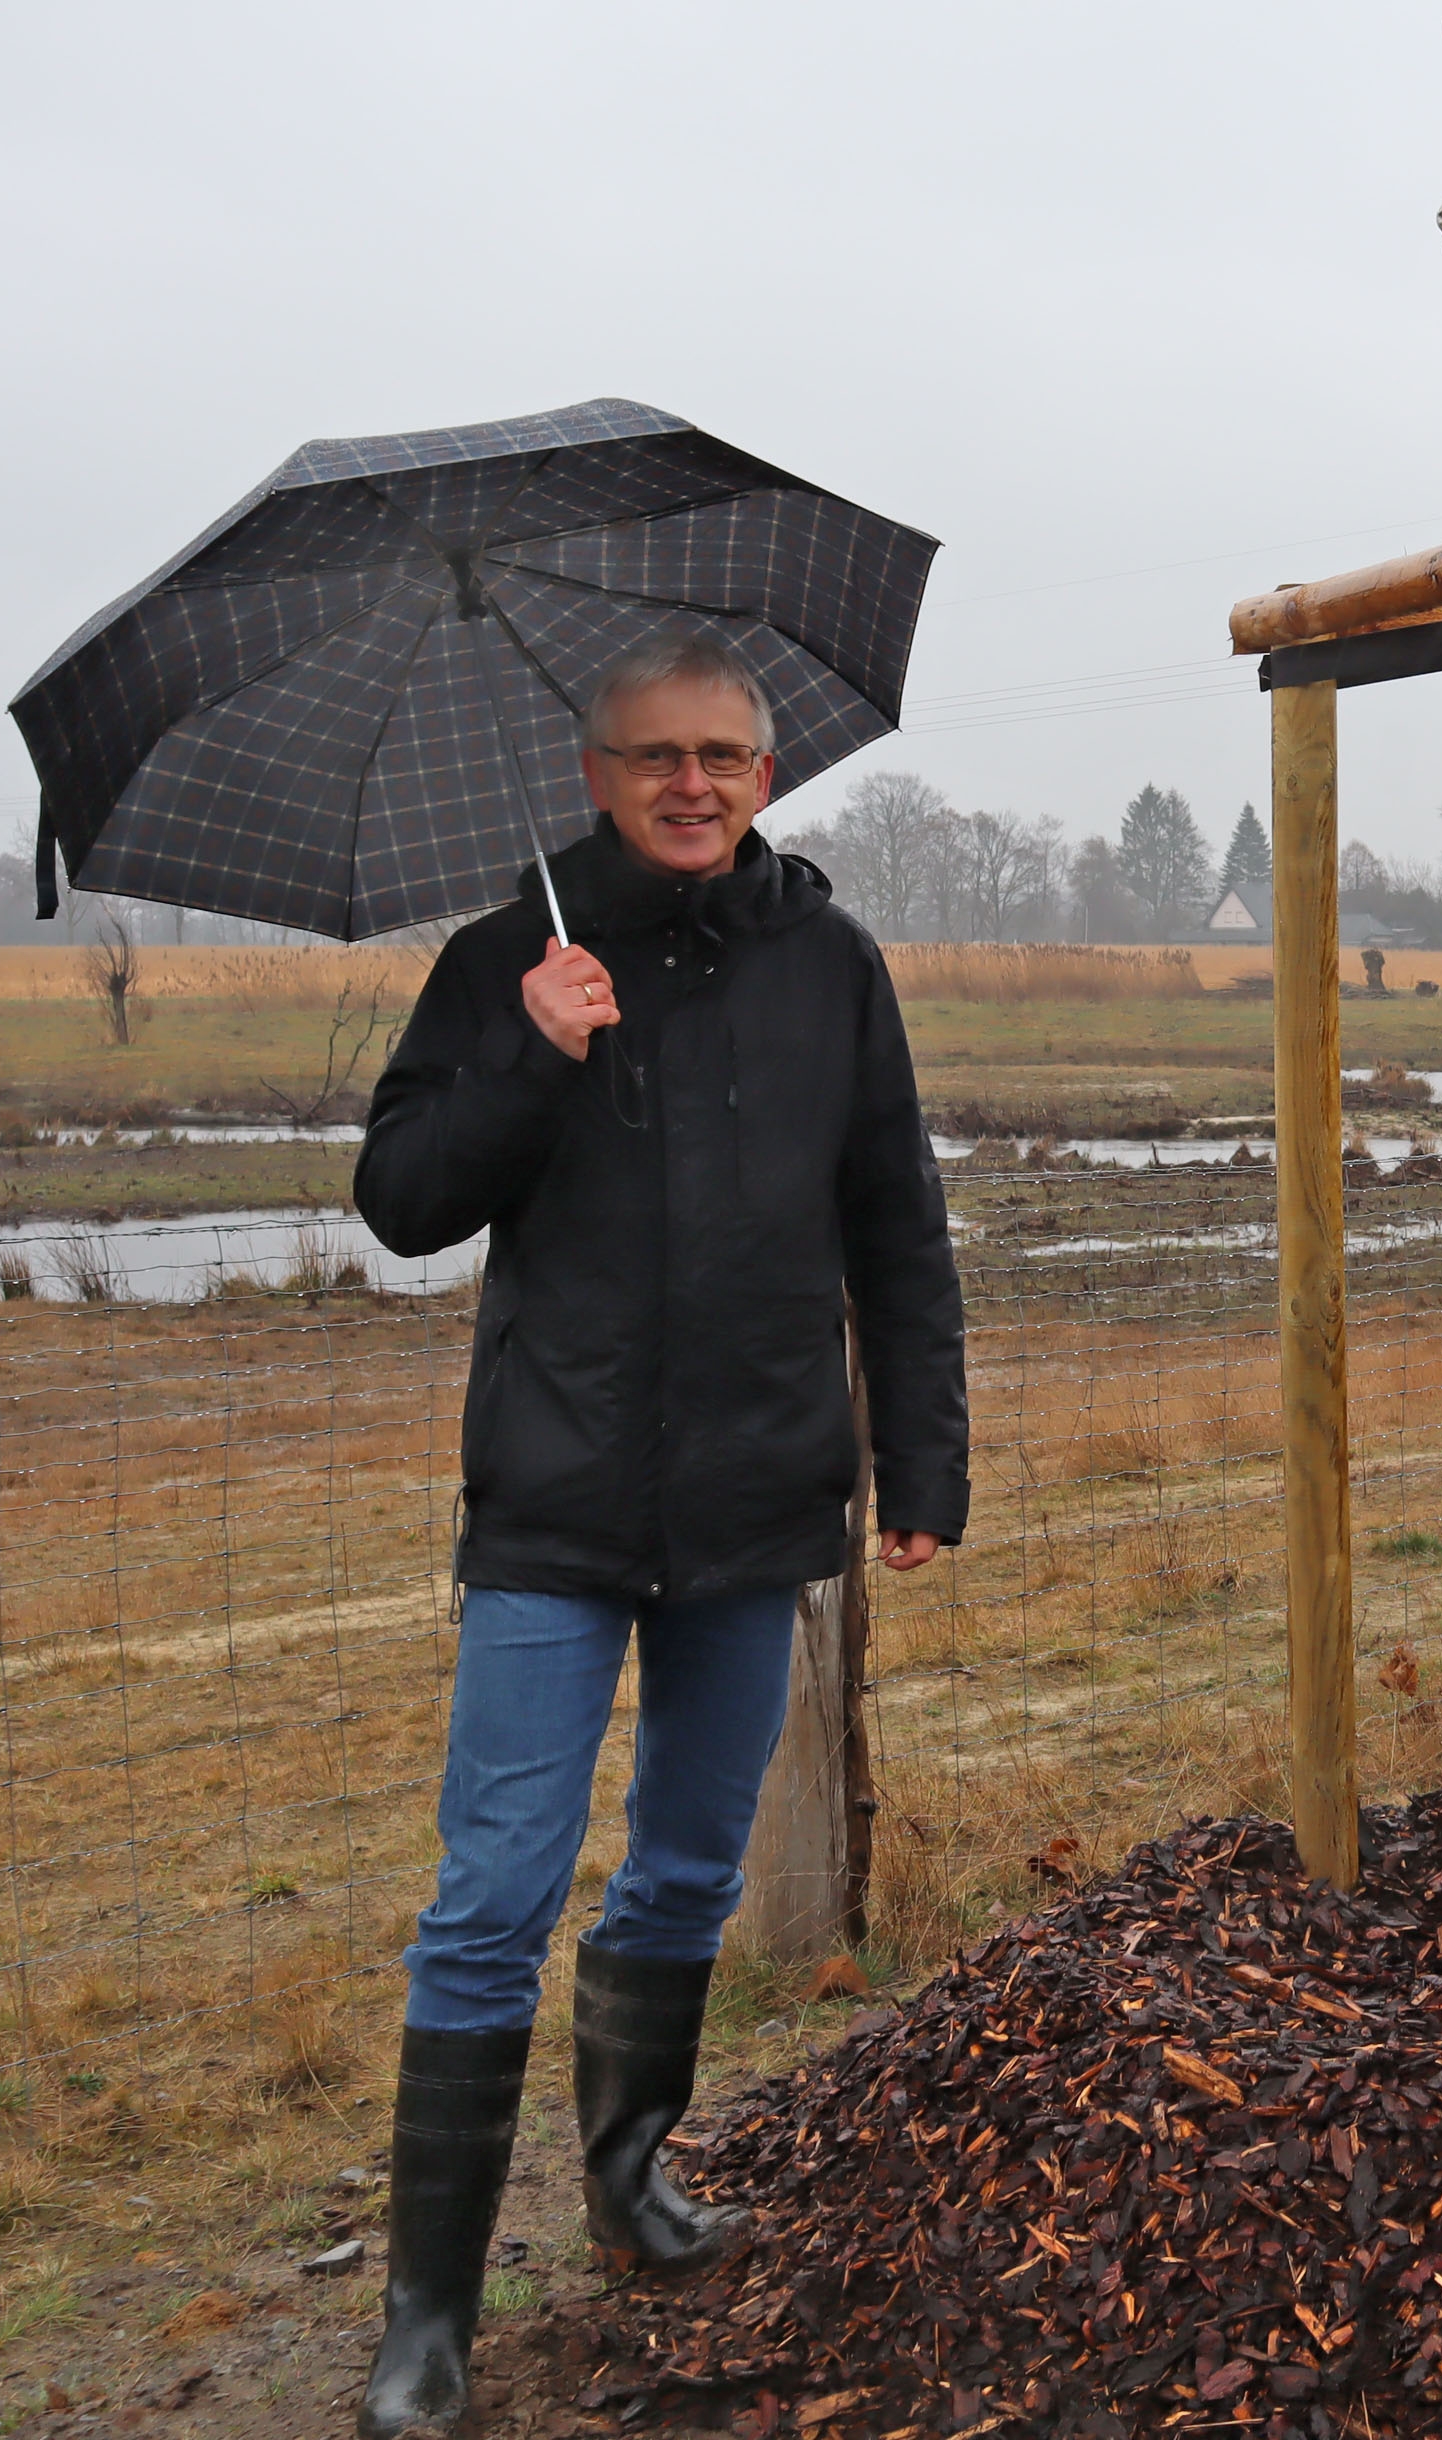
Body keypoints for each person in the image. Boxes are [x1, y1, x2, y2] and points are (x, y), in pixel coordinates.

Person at [349, 633, 967, 2435]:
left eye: (722, 756)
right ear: (597, 774)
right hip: (556, 1503)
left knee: (689, 1868)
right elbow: (400, 1202)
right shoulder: (508, 960)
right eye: (653, 757)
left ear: (766, 774)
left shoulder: (832, 965)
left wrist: (919, 1463)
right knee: (492, 1901)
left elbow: (897, 1225)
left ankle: (629, 2180)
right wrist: (530, 1057)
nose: (690, 785)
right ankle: (428, 2320)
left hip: (759, 1501)